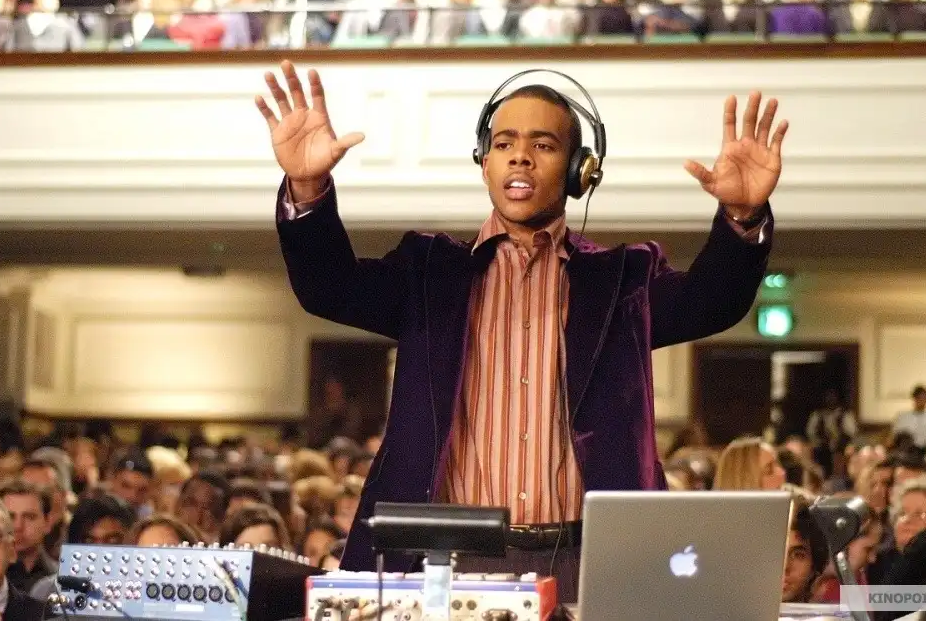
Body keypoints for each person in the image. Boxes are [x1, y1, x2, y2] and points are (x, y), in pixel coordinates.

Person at [258, 60, 788, 601]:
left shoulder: (622, 280)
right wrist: (308, 187)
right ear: (483, 161)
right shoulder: (429, 271)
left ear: (581, 170)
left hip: (589, 558)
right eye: (504, 142)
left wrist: (741, 218)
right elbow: (330, 288)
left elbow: (712, 303)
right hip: (447, 561)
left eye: (543, 145)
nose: (520, 156)